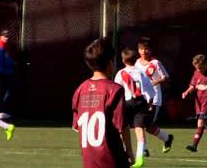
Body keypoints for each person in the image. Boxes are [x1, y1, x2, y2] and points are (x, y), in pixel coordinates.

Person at [72, 38, 135, 168]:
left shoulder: (80, 90)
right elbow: (122, 125)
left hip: (89, 160)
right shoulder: (114, 89)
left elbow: (77, 127)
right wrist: (129, 150)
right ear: (110, 63)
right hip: (112, 158)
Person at [114, 48, 155, 167]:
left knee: (123, 127)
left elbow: (117, 90)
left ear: (123, 60)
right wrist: (150, 103)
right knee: (139, 130)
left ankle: (126, 152)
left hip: (127, 102)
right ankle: (139, 157)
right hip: (140, 101)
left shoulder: (120, 73)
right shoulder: (141, 72)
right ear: (134, 59)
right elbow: (150, 89)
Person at [135, 37, 173, 157]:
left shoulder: (155, 63)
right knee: (141, 125)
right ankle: (146, 148)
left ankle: (165, 139)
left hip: (154, 99)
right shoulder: (136, 63)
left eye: (146, 49)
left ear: (150, 50)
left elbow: (166, 77)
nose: (144, 51)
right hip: (141, 98)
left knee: (147, 126)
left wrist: (153, 82)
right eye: (141, 49)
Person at [182, 54, 207, 152]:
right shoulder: (196, 73)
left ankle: (194, 145)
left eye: (200, 68)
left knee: (200, 122)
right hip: (198, 102)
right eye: (196, 68)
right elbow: (193, 86)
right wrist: (186, 92)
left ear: (205, 65)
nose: (198, 70)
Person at [0, 30, 16, 119]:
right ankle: (3, 110)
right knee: (8, 91)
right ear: (1, 36)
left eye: (8, 36)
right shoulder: (0, 45)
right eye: (5, 36)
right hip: (4, 72)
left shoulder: (4, 46)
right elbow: (1, 60)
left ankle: (0, 110)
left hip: (5, 72)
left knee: (4, 91)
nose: (7, 38)